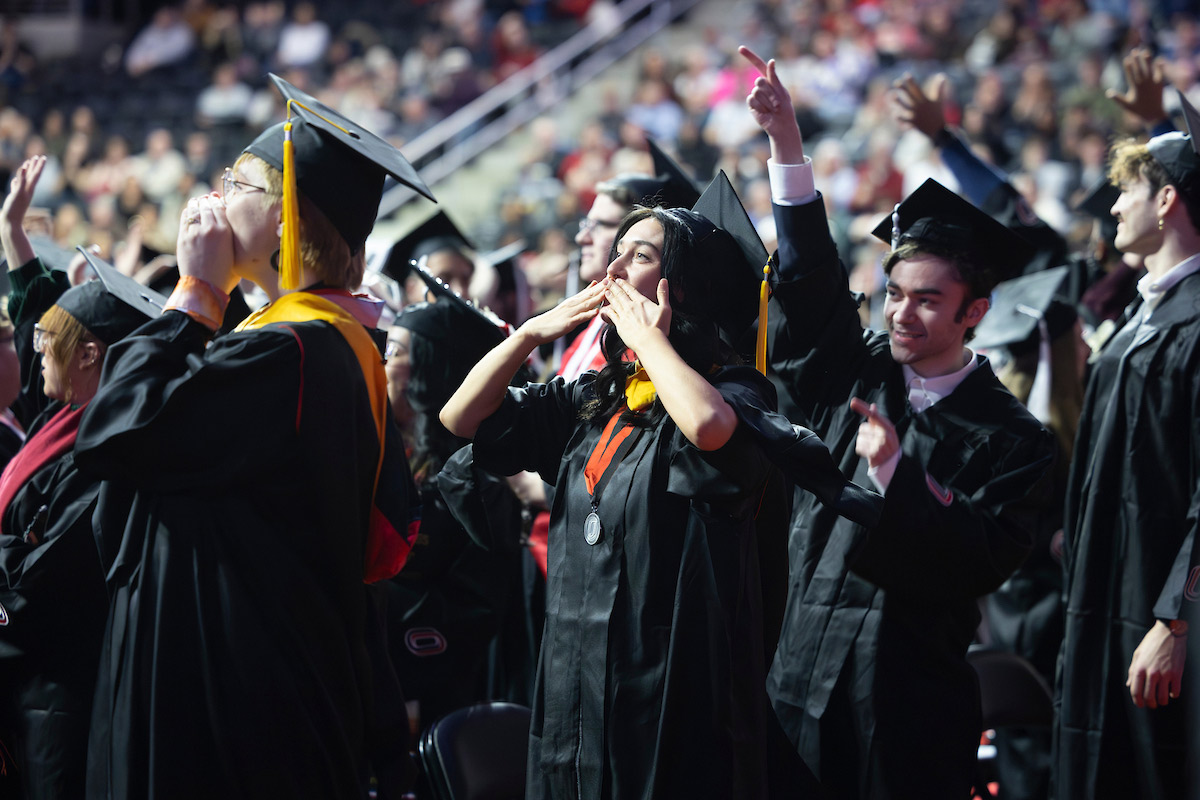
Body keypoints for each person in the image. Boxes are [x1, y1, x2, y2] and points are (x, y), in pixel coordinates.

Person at [441, 166, 880, 798]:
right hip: (574, 688)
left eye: (638, 256)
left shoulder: (737, 395)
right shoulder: (596, 398)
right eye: (613, 255)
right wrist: (534, 331)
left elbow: (706, 426)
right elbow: (461, 418)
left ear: (687, 286)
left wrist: (650, 342)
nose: (613, 273)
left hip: (671, 702)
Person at [71, 75, 425, 798]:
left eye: (238, 180)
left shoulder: (289, 355)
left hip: (229, 706)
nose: (214, 194)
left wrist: (194, 299)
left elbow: (115, 428)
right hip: (265, 683)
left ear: (285, 218)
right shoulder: (327, 347)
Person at [740, 45, 1054, 798]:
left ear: (975, 312)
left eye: (928, 300)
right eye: (894, 293)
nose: (901, 314)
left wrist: (895, 476)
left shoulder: (1018, 441)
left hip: (905, 710)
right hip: (794, 686)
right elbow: (811, 288)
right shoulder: (860, 369)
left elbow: (980, 562)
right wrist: (787, 146)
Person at [0, 155, 164, 800]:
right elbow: (32, 315)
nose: (37, 349)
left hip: (61, 690)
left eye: (51, 342)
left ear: (91, 354)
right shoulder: (61, 420)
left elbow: (43, 581)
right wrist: (15, 235)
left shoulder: (108, 452)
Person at [1053, 93, 1200, 800]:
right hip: (1107, 596)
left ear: (1168, 198)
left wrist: (1175, 617)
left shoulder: (1196, 323)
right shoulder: (1144, 315)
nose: (1112, 208)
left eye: (1128, 191)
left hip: (1158, 610)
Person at [382, 268, 532, 731]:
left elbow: (473, 609)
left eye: (394, 352)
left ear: (428, 367)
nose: (381, 363)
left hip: (446, 699)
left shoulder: (474, 480)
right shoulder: (383, 450)